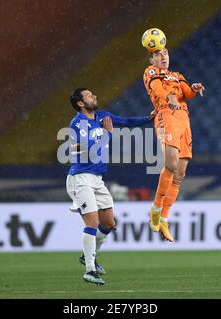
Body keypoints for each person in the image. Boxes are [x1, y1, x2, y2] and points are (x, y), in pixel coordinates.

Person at [66, 88, 155, 285]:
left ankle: (87, 255)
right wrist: (107, 134)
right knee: (91, 222)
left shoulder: (103, 116)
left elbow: (127, 122)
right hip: (80, 177)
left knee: (108, 224)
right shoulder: (78, 123)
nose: (94, 96)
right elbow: (90, 148)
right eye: (89, 95)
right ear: (80, 103)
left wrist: (150, 118)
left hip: (97, 179)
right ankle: (90, 270)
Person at [143, 47, 205, 242]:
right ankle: (155, 208)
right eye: (159, 55)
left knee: (180, 173)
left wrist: (194, 88)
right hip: (165, 116)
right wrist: (168, 97)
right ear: (152, 59)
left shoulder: (177, 75)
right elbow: (158, 90)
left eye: (166, 54)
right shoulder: (151, 72)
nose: (163, 58)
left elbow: (187, 93)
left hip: (183, 120)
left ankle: (164, 218)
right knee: (170, 164)